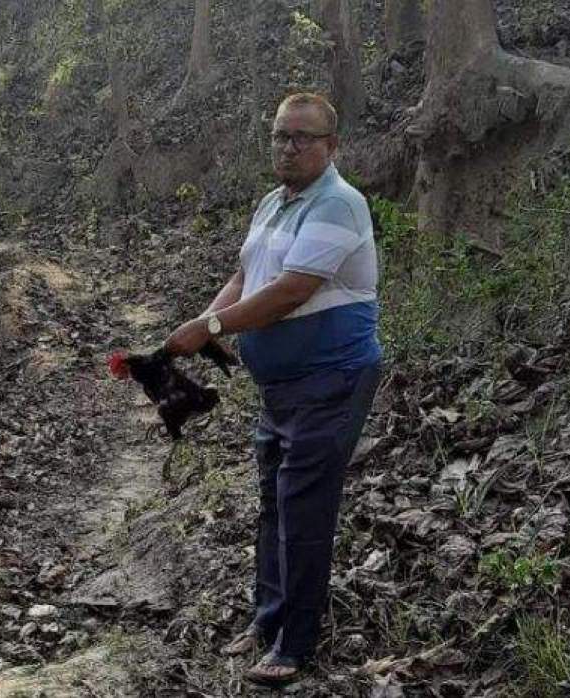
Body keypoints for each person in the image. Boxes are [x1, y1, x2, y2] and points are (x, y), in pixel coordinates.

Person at [164, 93, 382, 686]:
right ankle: (268, 620)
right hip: (281, 387)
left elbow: (291, 290)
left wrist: (209, 327)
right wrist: (208, 326)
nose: (289, 147)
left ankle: (295, 643)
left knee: (304, 505)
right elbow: (246, 274)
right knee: (272, 503)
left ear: (331, 147)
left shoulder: (339, 204)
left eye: (303, 138)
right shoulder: (272, 203)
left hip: (330, 379)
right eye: (281, 135)